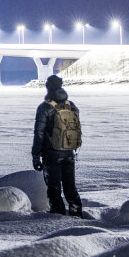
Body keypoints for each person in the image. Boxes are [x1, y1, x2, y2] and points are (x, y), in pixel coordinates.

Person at [31, 75, 83, 216]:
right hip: (69, 152)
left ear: (48, 87)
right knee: (70, 187)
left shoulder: (44, 107)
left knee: (54, 187)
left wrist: (36, 156)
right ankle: (77, 213)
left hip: (51, 153)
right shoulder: (71, 105)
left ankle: (58, 214)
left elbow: (39, 134)